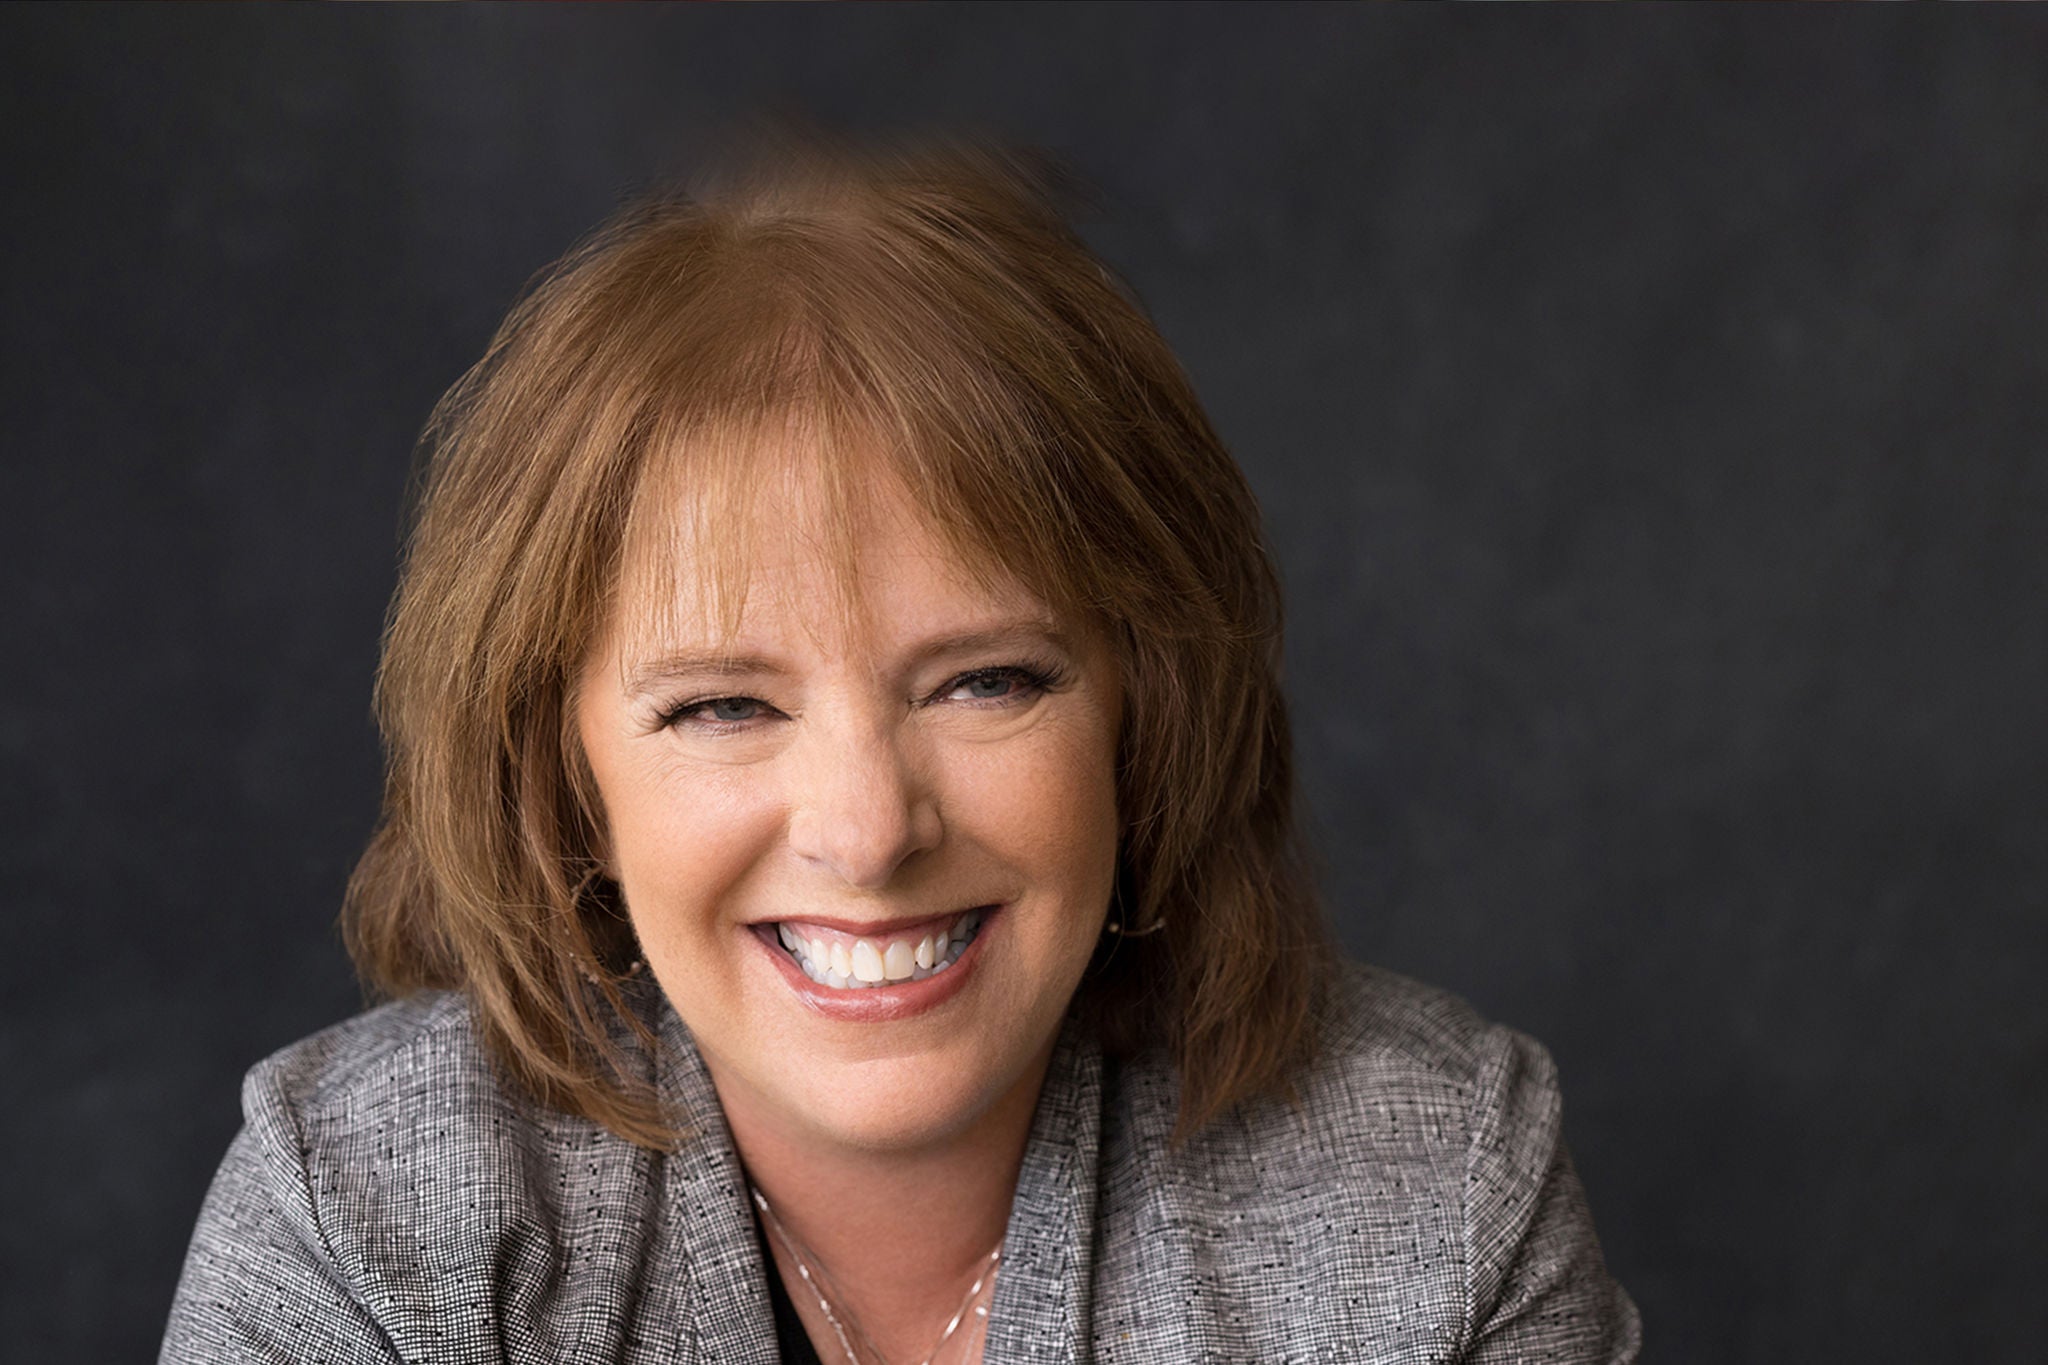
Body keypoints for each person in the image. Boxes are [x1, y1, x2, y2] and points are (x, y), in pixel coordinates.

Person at [162, 138, 1640, 1364]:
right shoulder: (361, 1218)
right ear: (561, 776)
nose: (868, 832)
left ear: (1149, 714)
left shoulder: (1441, 1194)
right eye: (723, 706)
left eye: (985, 682)